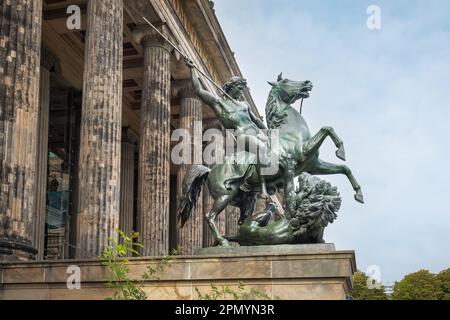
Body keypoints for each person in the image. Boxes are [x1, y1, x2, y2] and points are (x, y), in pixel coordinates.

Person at [185, 59, 271, 197]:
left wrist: (268, 131)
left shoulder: (244, 105)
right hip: (243, 137)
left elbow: (255, 120)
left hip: (257, 133)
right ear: (232, 87)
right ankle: (263, 187)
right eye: (239, 88)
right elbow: (199, 90)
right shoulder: (219, 104)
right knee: (261, 149)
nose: (241, 92)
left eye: (242, 89)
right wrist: (193, 69)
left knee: (279, 152)